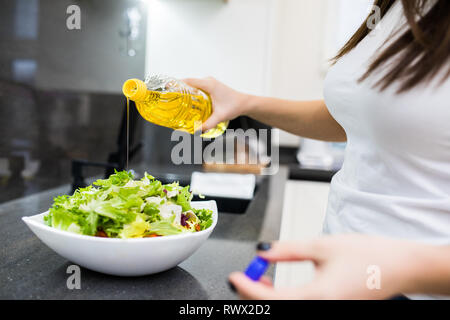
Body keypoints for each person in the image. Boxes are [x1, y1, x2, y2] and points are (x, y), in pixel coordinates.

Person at [184, 0, 450, 299]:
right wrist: (244, 103)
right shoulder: (394, 8)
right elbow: (352, 117)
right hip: (345, 272)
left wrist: (393, 268)